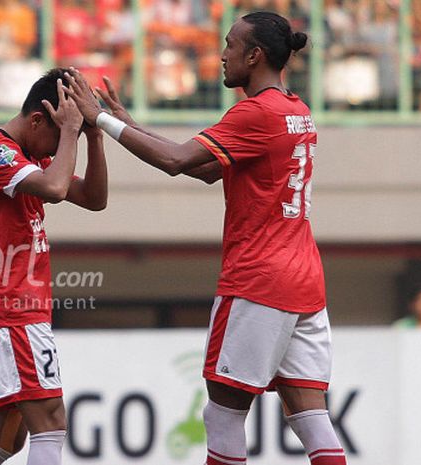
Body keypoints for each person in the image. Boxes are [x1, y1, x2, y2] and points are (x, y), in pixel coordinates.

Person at [64, 11, 347, 465]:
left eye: (231, 45)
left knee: (222, 415)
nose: (222, 54)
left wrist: (99, 120)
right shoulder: (295, 110)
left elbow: (177, 161)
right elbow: (205, 169)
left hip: (258, 281)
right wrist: (127, 124)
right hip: (304, 281)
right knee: (311, 418)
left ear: (254, 56)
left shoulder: (255, 113)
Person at [0, 68, 108, 465]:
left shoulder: (30, 155)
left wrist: (92, 133)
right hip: (11, 306)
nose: (58, 152)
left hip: (18, 306)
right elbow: (56, 189)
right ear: (38, 119)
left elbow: (94, 198)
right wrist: (72, 130)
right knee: (52, 423)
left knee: (5, 440)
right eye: (57, 136)